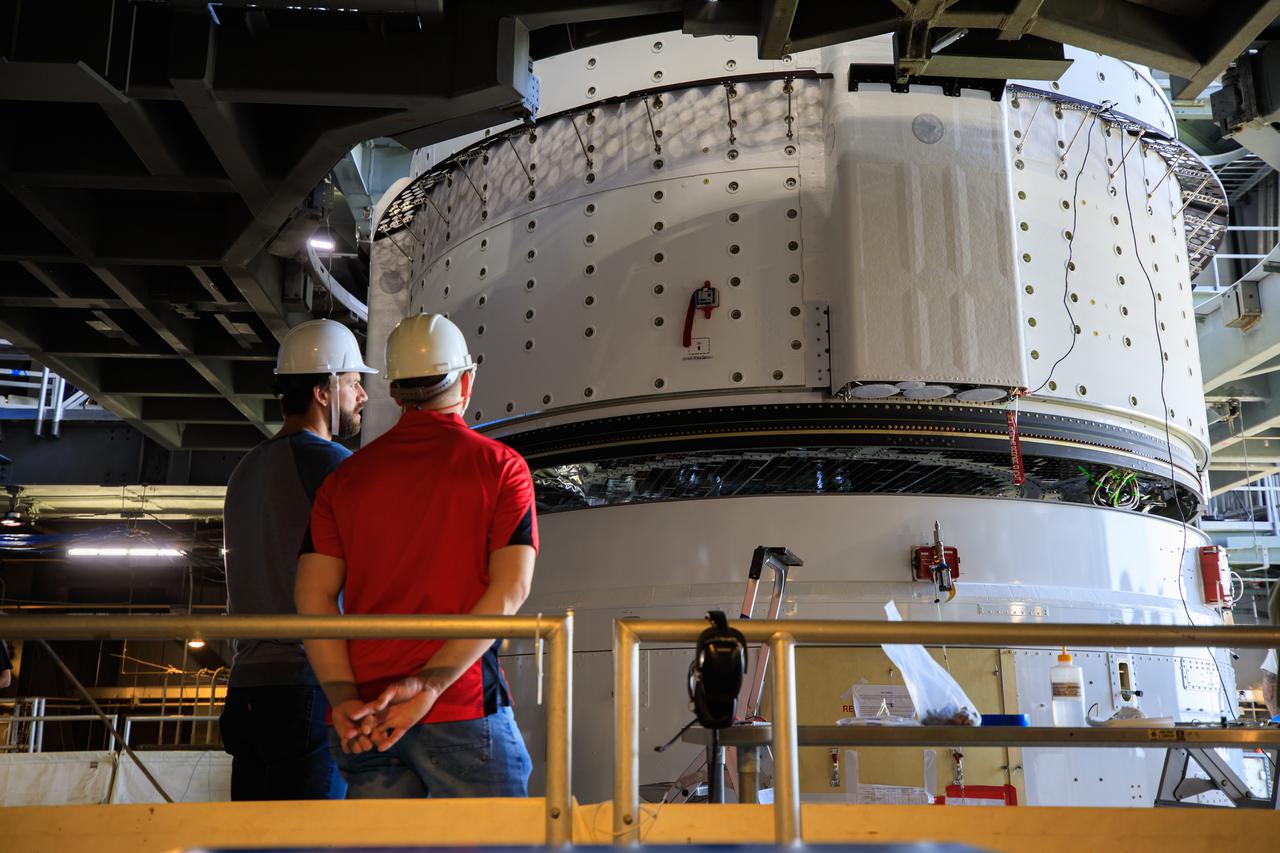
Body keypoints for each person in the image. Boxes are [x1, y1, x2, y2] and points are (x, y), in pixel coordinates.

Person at [295, 312, 536, 798]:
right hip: (461, 705)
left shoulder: (344, 481)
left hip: (365, 717)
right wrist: (429, 685)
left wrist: (342, 696)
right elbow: (510, 589)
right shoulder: (501, 468)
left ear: (395, 392)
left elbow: (312, 598)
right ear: (466, 380)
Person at [220, 319, 376, 800]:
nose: (363, 396)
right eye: (353, 383)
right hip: (305, 689)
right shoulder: (333, 466)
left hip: (246, 689)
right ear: (324, 391)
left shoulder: (244, 469)